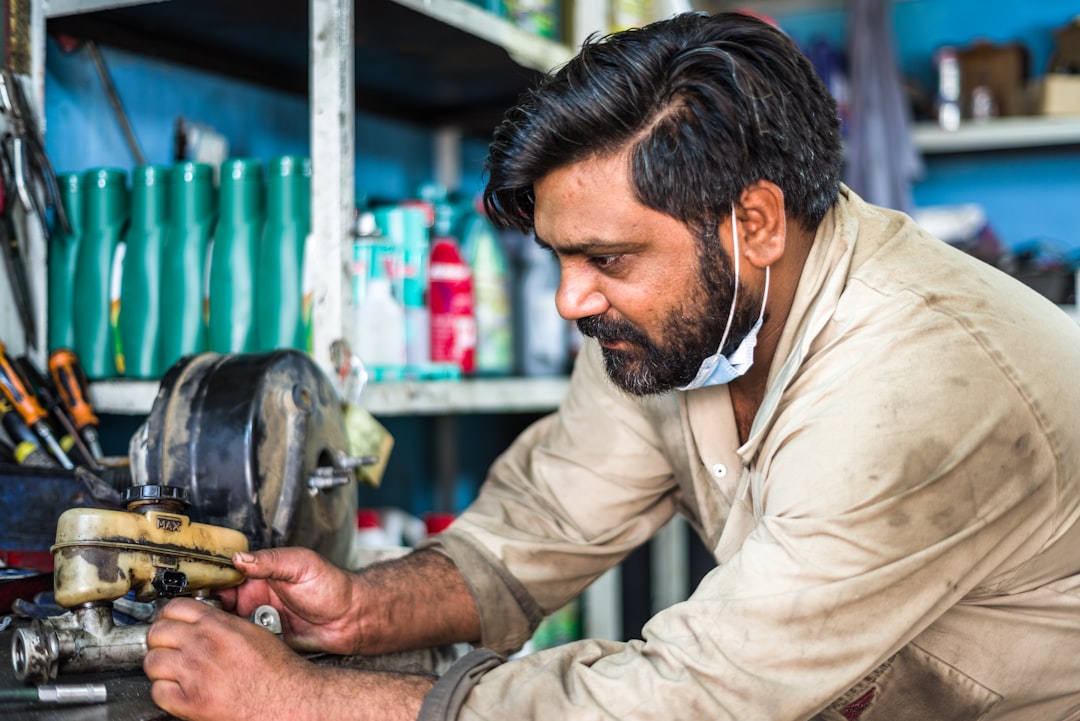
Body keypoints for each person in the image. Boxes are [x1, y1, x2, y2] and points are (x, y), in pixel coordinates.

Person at [144, 11, 1080, 721]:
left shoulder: (913, 389)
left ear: (752, 222)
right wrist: (359, 609)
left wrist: (299, 700)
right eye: (559, 257)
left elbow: (693, 698)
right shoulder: (687, 318)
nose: (569, 301)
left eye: (607, 258)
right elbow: (545, 521)